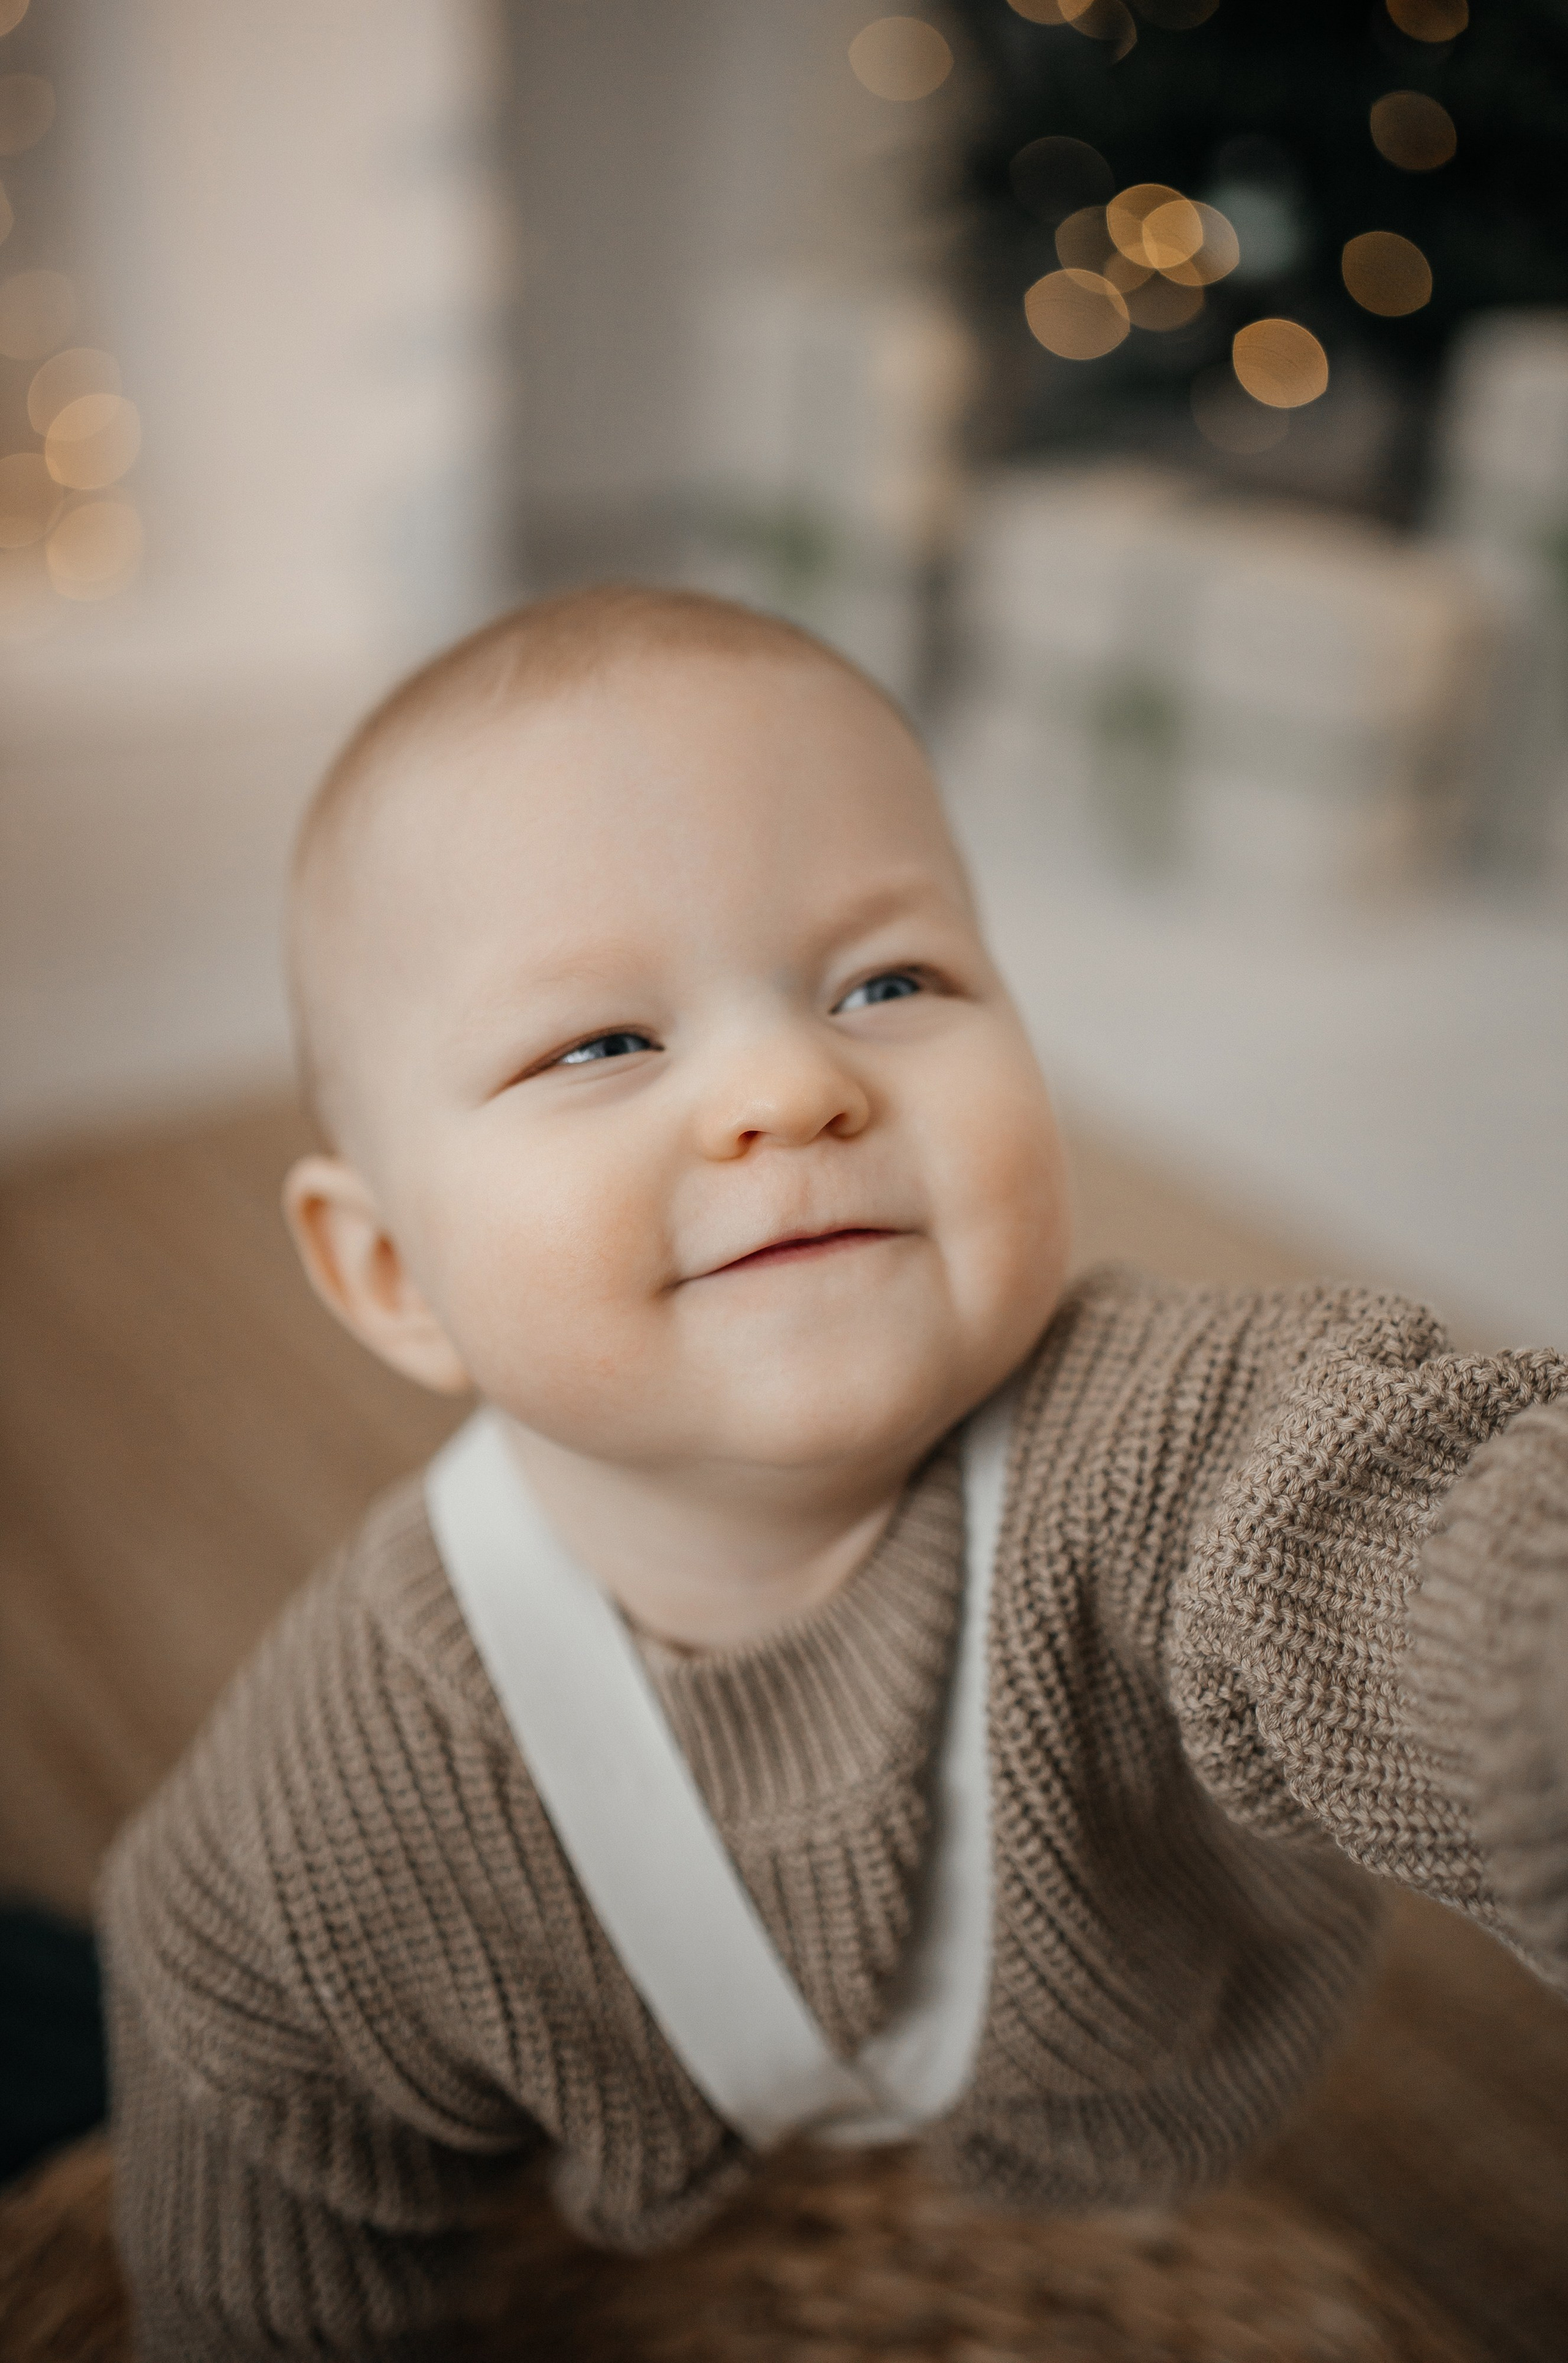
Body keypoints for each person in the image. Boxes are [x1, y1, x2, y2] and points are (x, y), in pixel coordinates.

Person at [99, 585, 1568, 2360]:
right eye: (605, 1042)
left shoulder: (1185, 1448)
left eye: (890, 981)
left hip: (1144, 2161)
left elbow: (1445, 1560)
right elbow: (245, 2156)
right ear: (393, 1272)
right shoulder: (310, 1840)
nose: (791, 1086)